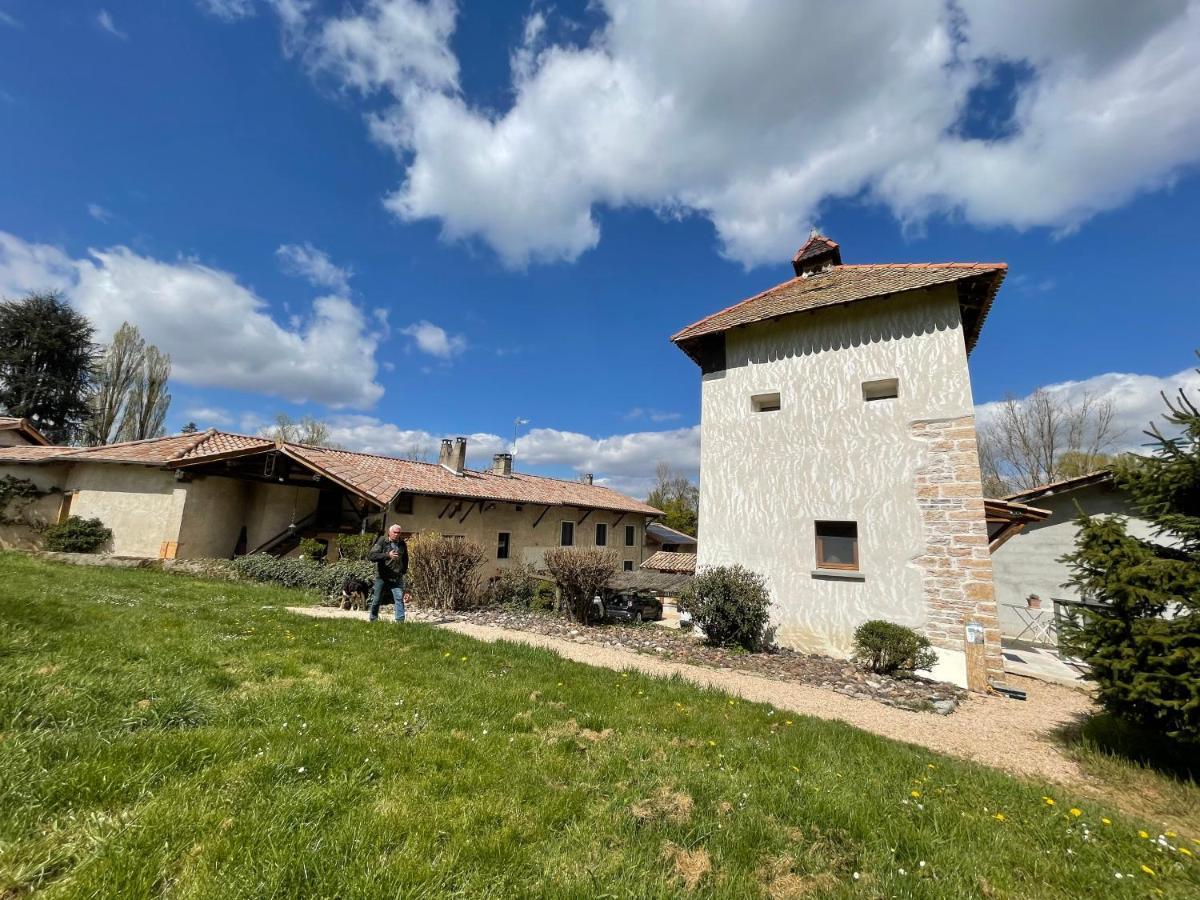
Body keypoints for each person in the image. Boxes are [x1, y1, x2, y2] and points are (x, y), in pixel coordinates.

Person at [367, 524, 408, 622]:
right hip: (382, 577)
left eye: (399, 533)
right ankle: (373, 619)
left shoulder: (402, 544)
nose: (397, 534)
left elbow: (405, 558)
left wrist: (403, 571)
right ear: (389, 533)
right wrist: (387, 555)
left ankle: (400, 622)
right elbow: (372, 556)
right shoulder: (382, 542)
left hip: (396, 577)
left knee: (399, 599)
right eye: (395, 532)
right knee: (377, 600)